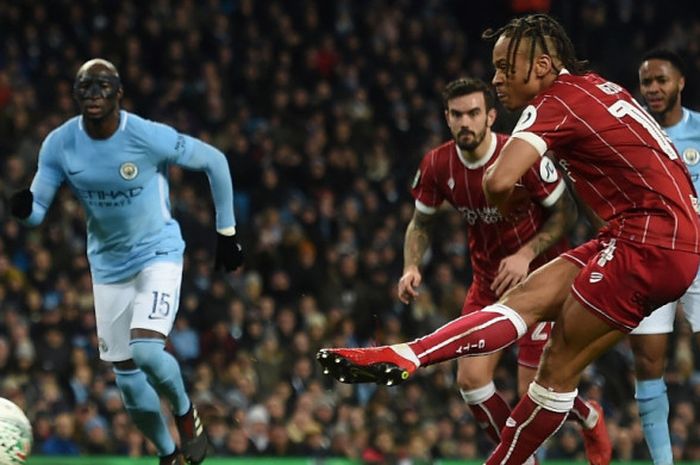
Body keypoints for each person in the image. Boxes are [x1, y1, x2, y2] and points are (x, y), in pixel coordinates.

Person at [317, 13, 700, 465]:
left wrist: (507, 211)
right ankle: (408, 354)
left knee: (553, 372)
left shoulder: (554, 102)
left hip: (649, 239)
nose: (497, 78)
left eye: (504, 67)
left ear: (540, 65)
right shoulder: (597, 86)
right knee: (524, 303)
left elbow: (499, 182)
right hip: (650, 234)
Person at [9, 58, 244, 465]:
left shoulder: (146, 136)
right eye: (85, 87)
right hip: (107, 267)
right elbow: (38, 209)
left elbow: (215, 161)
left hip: (158, 252)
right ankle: (168, 454)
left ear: (119, 93)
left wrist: (227, 233)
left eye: (102, 86)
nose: (94, 94)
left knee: (148, 352)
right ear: (76, 94)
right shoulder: (60, 144)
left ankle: (186, 414)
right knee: (129, 382)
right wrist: (24, 209)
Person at [398, 76, 607, 462]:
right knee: (471, 382)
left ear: (490, 116)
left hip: (542, 278)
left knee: (535, 392)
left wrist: (527, 253)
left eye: (474, 113)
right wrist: (411, 266)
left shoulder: (521, 154)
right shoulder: (436, 163)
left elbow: (565, 212)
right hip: (488, 284)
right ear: (447, 118)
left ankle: (588, 414)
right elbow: (420, 222)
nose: (466, 122)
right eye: (457, 115)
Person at [628, 48, 700, 465]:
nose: (653, 89)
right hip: (650, 255)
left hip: (697, 253)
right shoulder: (631, 130)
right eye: (647, 82)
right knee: (648, 359)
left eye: (661, 81)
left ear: (680, 83)